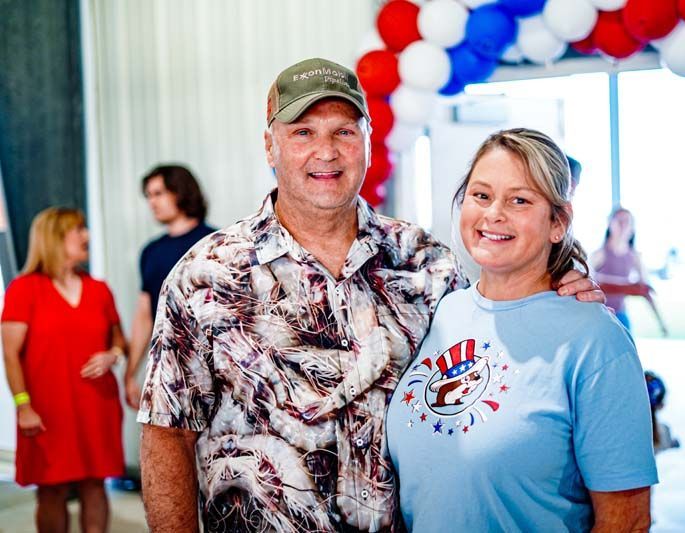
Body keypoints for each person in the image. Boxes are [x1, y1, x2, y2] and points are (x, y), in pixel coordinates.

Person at [135, 57, 604, 532]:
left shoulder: (428, 265)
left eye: (344, 131)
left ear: (367, 142)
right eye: (303, 133)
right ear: (270, 146)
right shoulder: (206, 275)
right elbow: (167, 434)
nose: (326, 152)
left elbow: (497, 347)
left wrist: (555, 290)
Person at [386, 129, 657, 531]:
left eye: (519, 200)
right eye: (481, 195)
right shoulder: (444, 310)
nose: (494, 213)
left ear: (558, 222)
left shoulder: (596, 341)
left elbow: (627, 521)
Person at [1, 207, 126, 532]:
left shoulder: (99, 289)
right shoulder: (24, 289)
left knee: (95, 485)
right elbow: (10, 354)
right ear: (55, 238)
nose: (87, 235)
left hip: (97, 405)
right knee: (51, 489)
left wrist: (112, 355)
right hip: (46, 411)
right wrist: (22, 405)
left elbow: (119, 341)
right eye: (79, 229)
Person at [123, 164, 214, 410]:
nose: (152, 202)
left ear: (180, 192)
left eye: (159, 193)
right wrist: (131, 372)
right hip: (167, 365)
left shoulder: (215, 243)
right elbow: (144, 315)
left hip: (211, 366)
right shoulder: (150, 252)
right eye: (149, 196)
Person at [591, 207, 667, 335]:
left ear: (632, 229)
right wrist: (627, 286)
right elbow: (588, 281)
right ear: (610, 224)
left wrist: (661, 323)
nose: (623, 224)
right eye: (619, 220)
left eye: (627, 221)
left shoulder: (635, 257)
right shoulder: (599, 254)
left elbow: (645, 290)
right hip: (599, 315)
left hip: (620, 314)